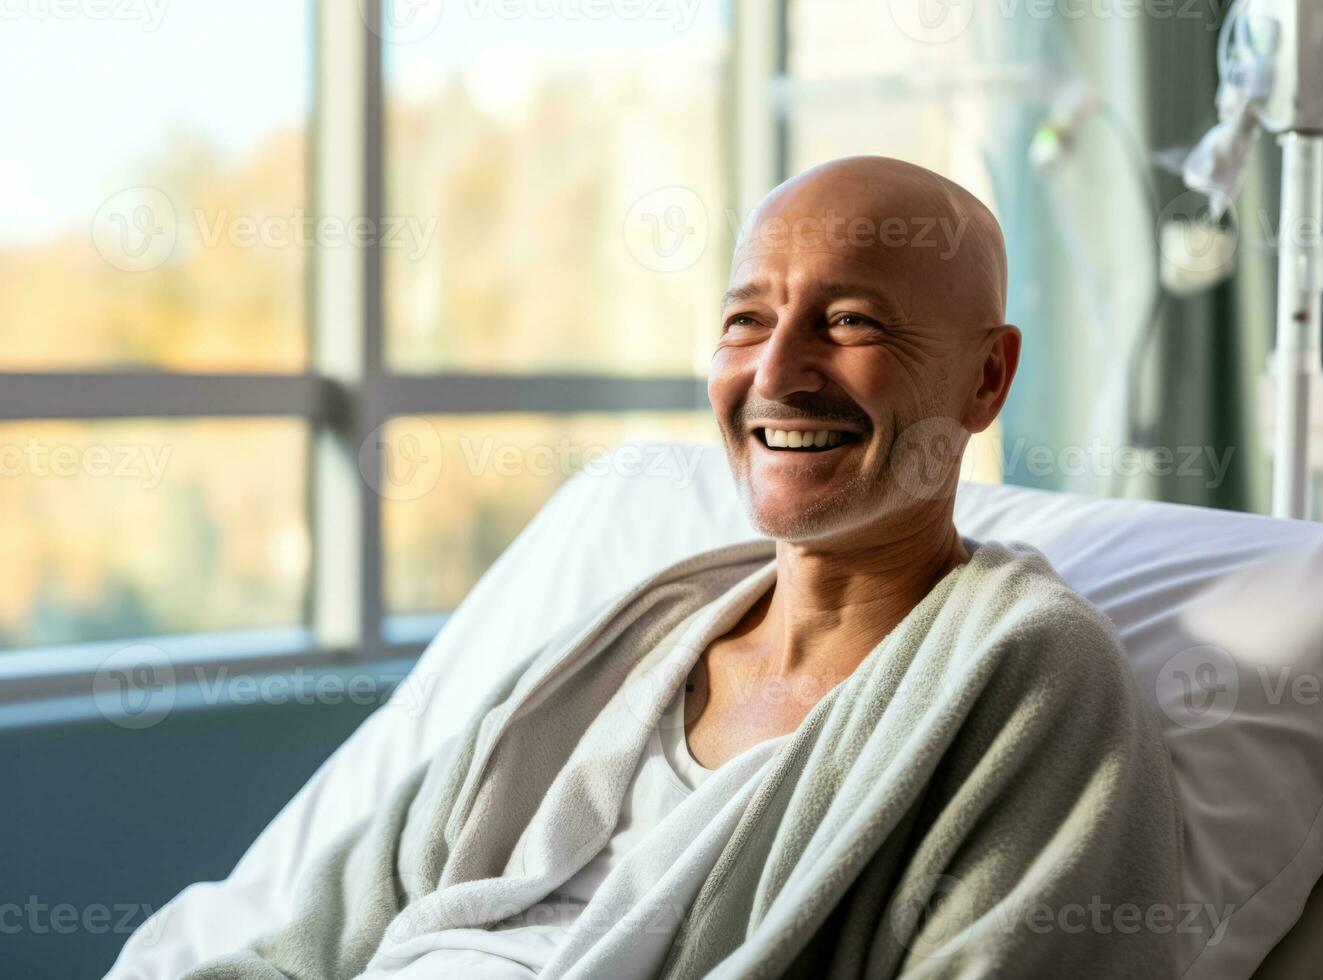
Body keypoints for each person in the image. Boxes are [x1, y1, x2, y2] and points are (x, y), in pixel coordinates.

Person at [176, 156, 1183, 979]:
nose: (777, 371)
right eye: (747, 319)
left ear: (988, 376)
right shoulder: (630, 639)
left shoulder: (1026, 672)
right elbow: (313, 937)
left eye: (851, 322)